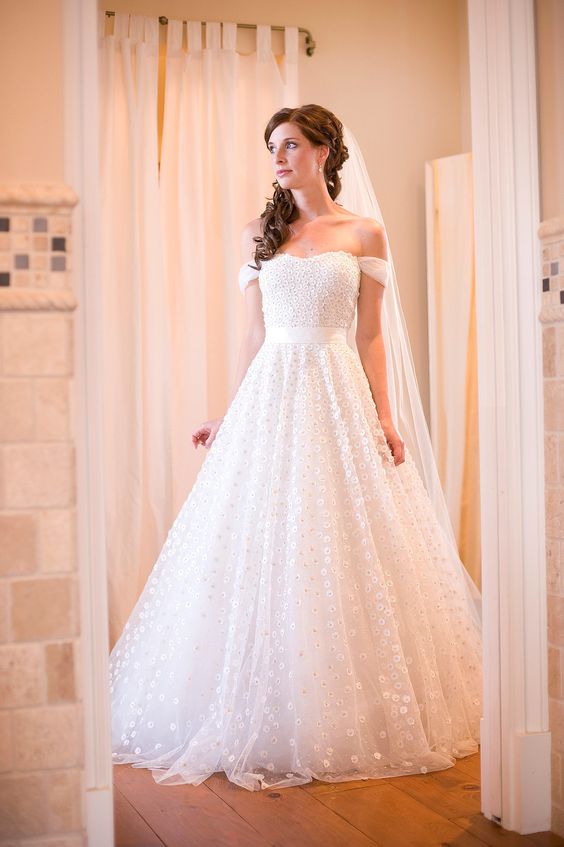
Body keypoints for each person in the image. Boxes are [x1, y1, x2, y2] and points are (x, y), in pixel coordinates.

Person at [109, 103, 482, 792]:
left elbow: (370, 334)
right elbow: (254, 333)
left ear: (322, 152)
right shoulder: (260, 233)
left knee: (342, 536)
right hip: (272, 393)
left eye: (289, 146)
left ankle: (350, 707)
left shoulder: (363, 232)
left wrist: (386, 416)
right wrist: (230, 414)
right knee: (262, 537)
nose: (278, 159)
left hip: (337, 389)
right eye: (272, 148)